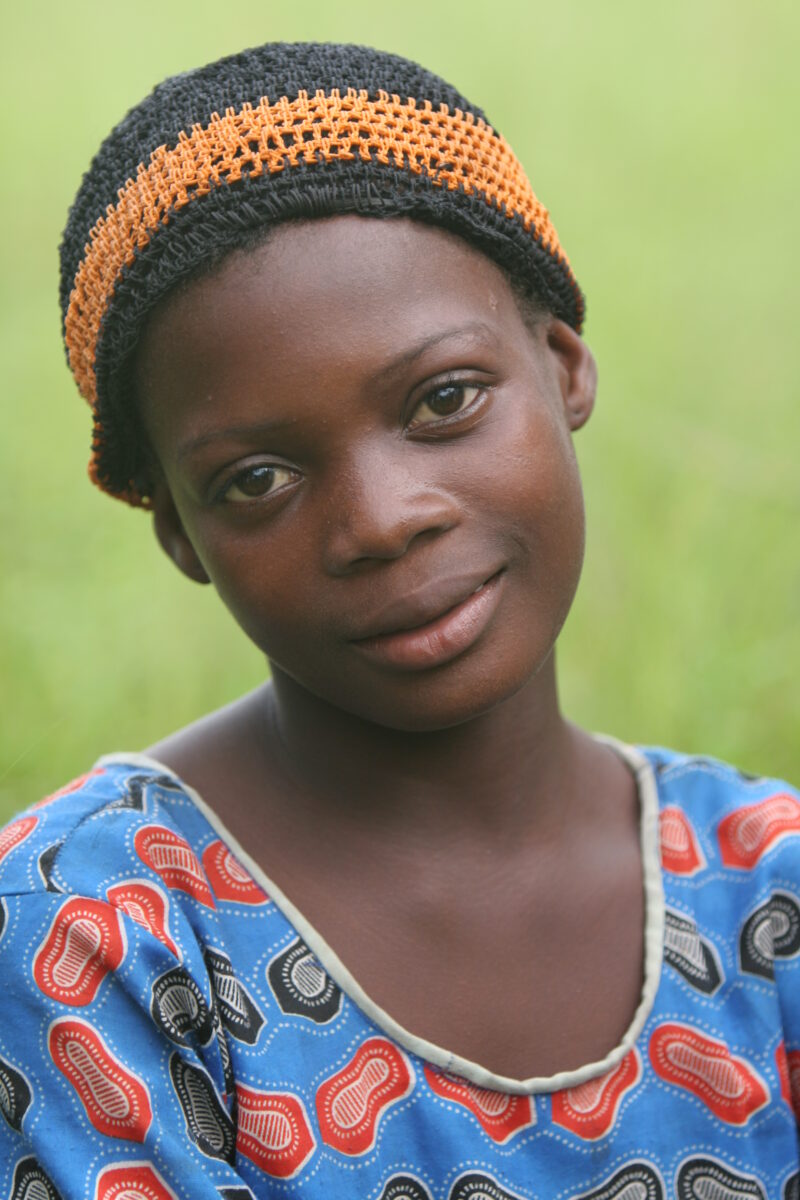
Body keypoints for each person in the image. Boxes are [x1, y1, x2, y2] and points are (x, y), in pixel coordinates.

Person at [0, 40, 797, 1200]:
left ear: (562, 366)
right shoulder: (94, 931)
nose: (381, 521)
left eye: (442, 400)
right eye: (256, 479)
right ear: (177, 533)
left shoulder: (766, 887)